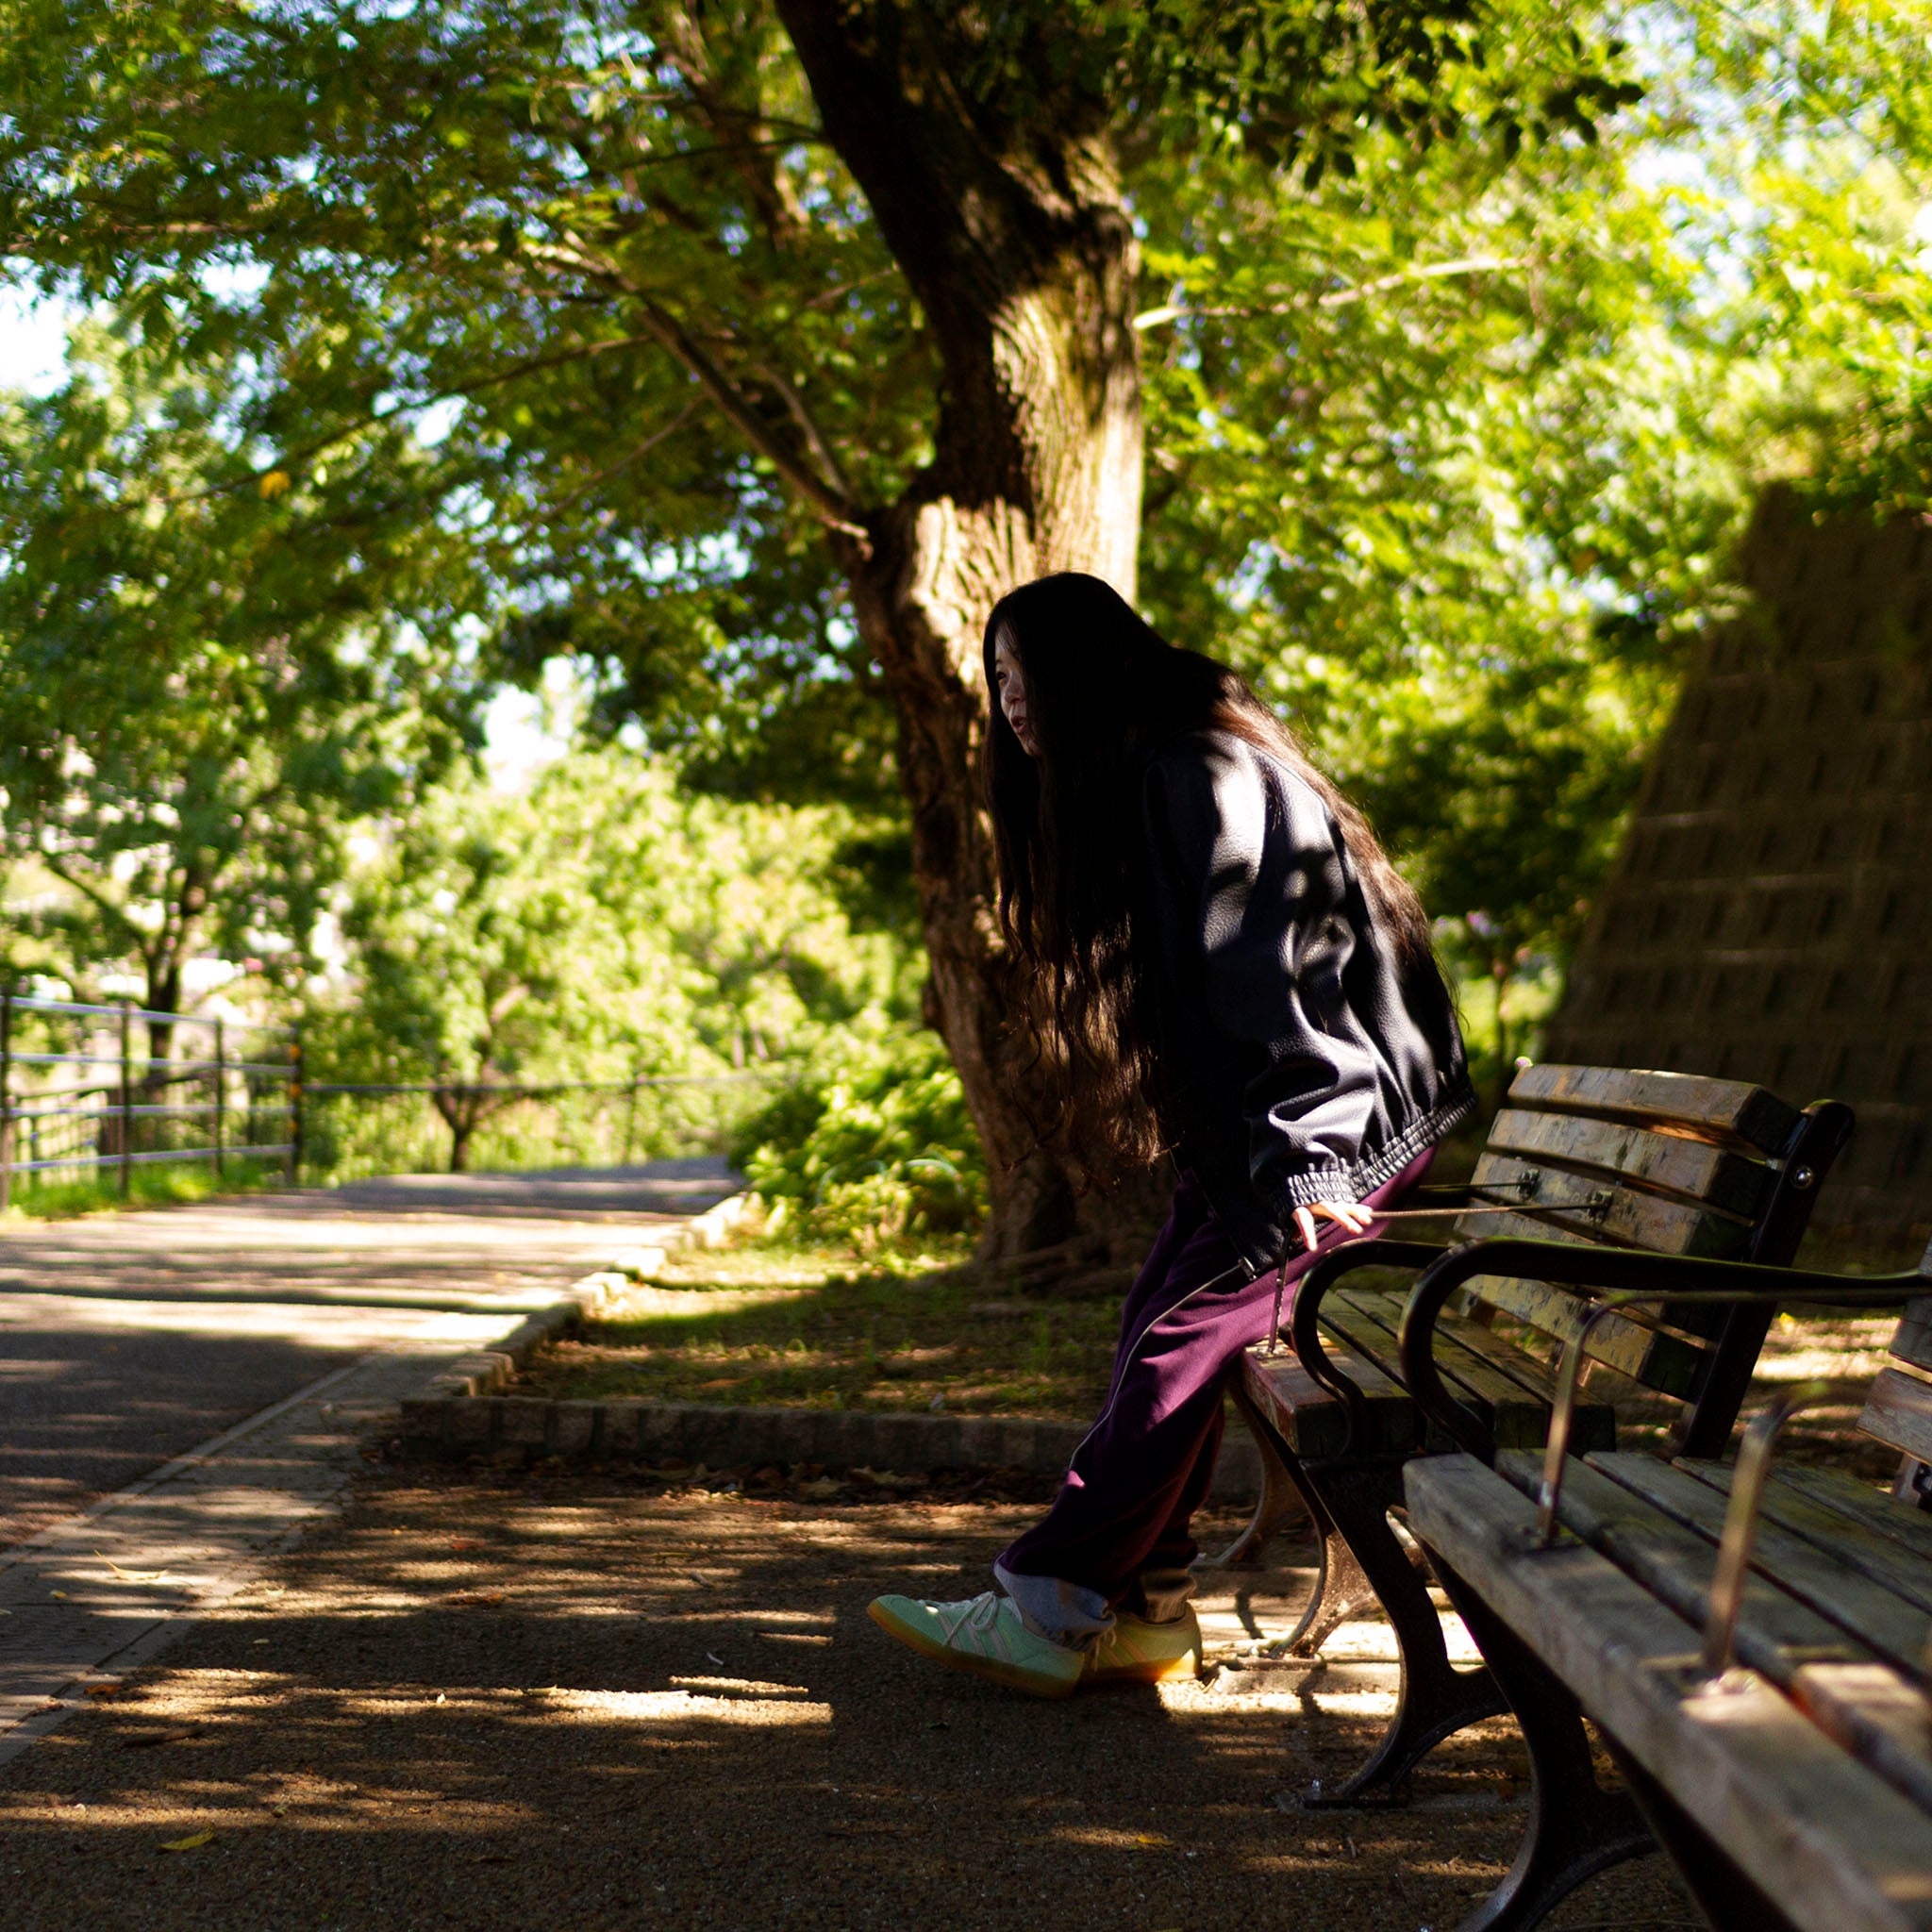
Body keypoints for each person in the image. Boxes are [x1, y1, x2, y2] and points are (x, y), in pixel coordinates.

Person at [868, 571, 1475, 1697]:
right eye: (994, 680)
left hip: (1325, 1135)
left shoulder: (1195, 769)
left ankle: (1050, 1605)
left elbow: (1270, 960)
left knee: (1176, 1345)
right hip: (1279, 1129)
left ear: (1082, 668)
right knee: (1154, 1321)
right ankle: (1143, 1606)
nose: (1008, 701)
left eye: (1023, 674)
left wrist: (1303, 1147)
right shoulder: (1172, 763)